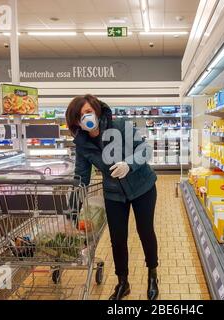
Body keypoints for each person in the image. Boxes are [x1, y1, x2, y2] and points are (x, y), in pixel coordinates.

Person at [66, 94, 159, 300]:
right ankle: (122, 282)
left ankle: (152, 275)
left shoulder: (120, 126)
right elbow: (81, 177)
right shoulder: (82, 144)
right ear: (75, 121)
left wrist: (129, 165)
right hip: (113, 194)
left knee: (145, 231)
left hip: (142, 186)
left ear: (97, 111)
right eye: (80, 116)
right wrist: (72, 209)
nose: (86, 118)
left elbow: (145, 149)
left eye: (88, 112)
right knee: (117, 239)